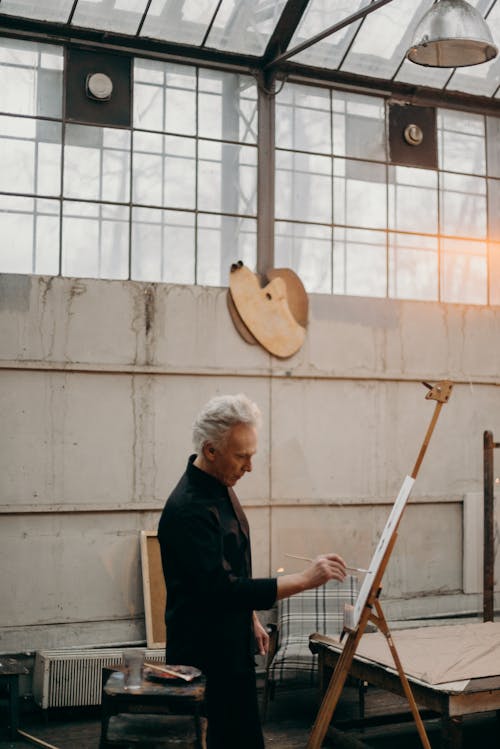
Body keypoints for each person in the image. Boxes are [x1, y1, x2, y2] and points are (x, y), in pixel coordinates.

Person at [157, 393, 346, 749]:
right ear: (211, 450)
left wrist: (251, 618)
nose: (249, 467)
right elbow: (221, 589)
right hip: (206, 656)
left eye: (252, 455)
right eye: (241, 456)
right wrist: (305, 580)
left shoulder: (219, 485)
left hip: (231, 645)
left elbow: (228, 566)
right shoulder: (189, 509)